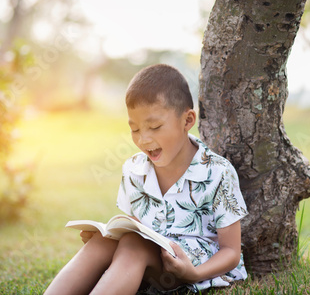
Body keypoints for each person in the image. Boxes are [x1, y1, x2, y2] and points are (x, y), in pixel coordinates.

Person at [44, 64, 248, 295]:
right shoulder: (134, 168)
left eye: (154, 127)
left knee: (133, 244)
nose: (143, 139)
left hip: (189, 267)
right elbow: (134, 225)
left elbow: (231, 251)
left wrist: (194, 273)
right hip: (146, 257)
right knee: (104, 242)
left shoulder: (218, 172)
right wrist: (110, 236)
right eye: (135, 129)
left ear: (188, 120)